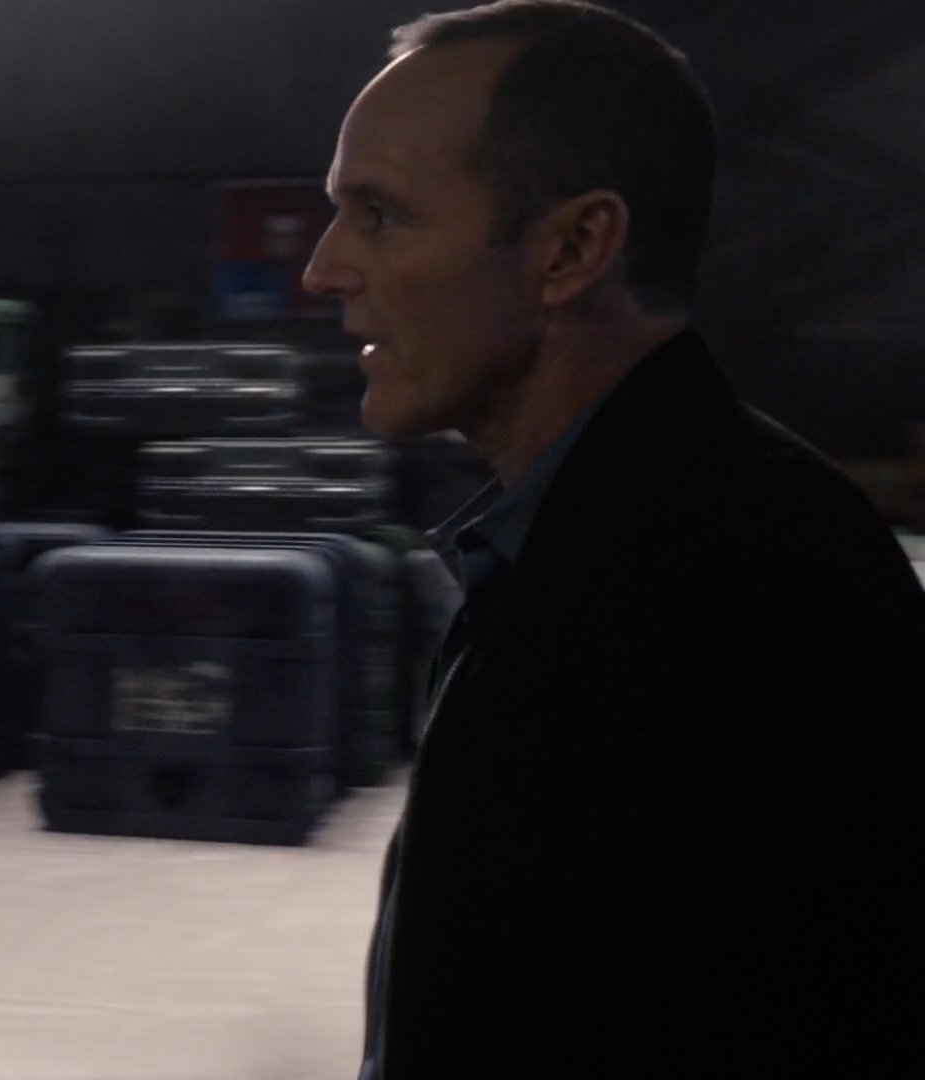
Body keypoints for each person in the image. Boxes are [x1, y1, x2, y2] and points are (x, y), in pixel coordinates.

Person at [301, 2, 925, 1075]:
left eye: (382, 215)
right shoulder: (591, 541)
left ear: (573, 249)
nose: (323, 268)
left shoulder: (734, 595)